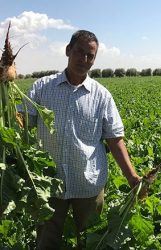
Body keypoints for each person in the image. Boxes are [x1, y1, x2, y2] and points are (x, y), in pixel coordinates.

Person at [20, 30, 141, 249]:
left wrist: (132, 177)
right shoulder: (41, 87)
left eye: (90, 55)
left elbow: (115, 139)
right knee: (47, 240)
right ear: (68, 51)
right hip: (49, 182)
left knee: (88, 241)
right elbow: (22, 124)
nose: (83, 59)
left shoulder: (101, 95)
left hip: (88, 184)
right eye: (79, 52)